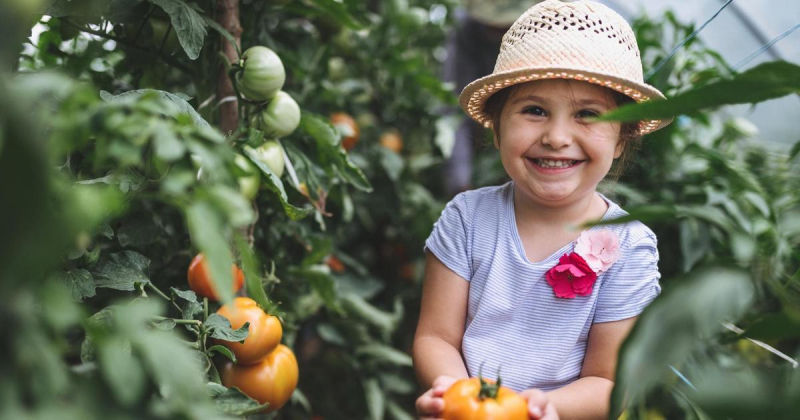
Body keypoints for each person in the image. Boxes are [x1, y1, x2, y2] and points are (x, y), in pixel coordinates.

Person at [414, 1, 673, 419]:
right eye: (534, 111)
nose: (556, 137)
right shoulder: (466, 219)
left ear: (622, 138)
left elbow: (610, 382)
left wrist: (537, 407)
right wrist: (456, 394)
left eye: (587, 114)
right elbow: (436, 337)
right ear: (496, 128)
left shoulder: (629, 245)